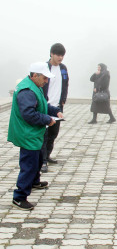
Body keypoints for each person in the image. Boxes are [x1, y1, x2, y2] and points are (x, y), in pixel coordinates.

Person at [8, 62, 63, 210]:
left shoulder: (35, 86)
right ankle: (19, 197)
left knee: (38, 158)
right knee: (29, 165)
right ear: (34, 75)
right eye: (44, 78)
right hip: (27, 133)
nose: (46, 81)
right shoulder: (26, 91)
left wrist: (54, 111)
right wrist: (47, 119)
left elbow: (42, 105)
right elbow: (29, 114)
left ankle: (35, 181)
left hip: (34, 132)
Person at [40, 43, 69, 173]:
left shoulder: (63, 68)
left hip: (57, 107)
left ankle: (48, 155)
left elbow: (66, 84)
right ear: (51, 54)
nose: (60, 57)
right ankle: (42, 161)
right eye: (58, 54)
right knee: (44, 134)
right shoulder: (45, 68)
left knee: (53, 133)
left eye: (62, 55)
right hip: (45, 106)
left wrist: (63, 100)